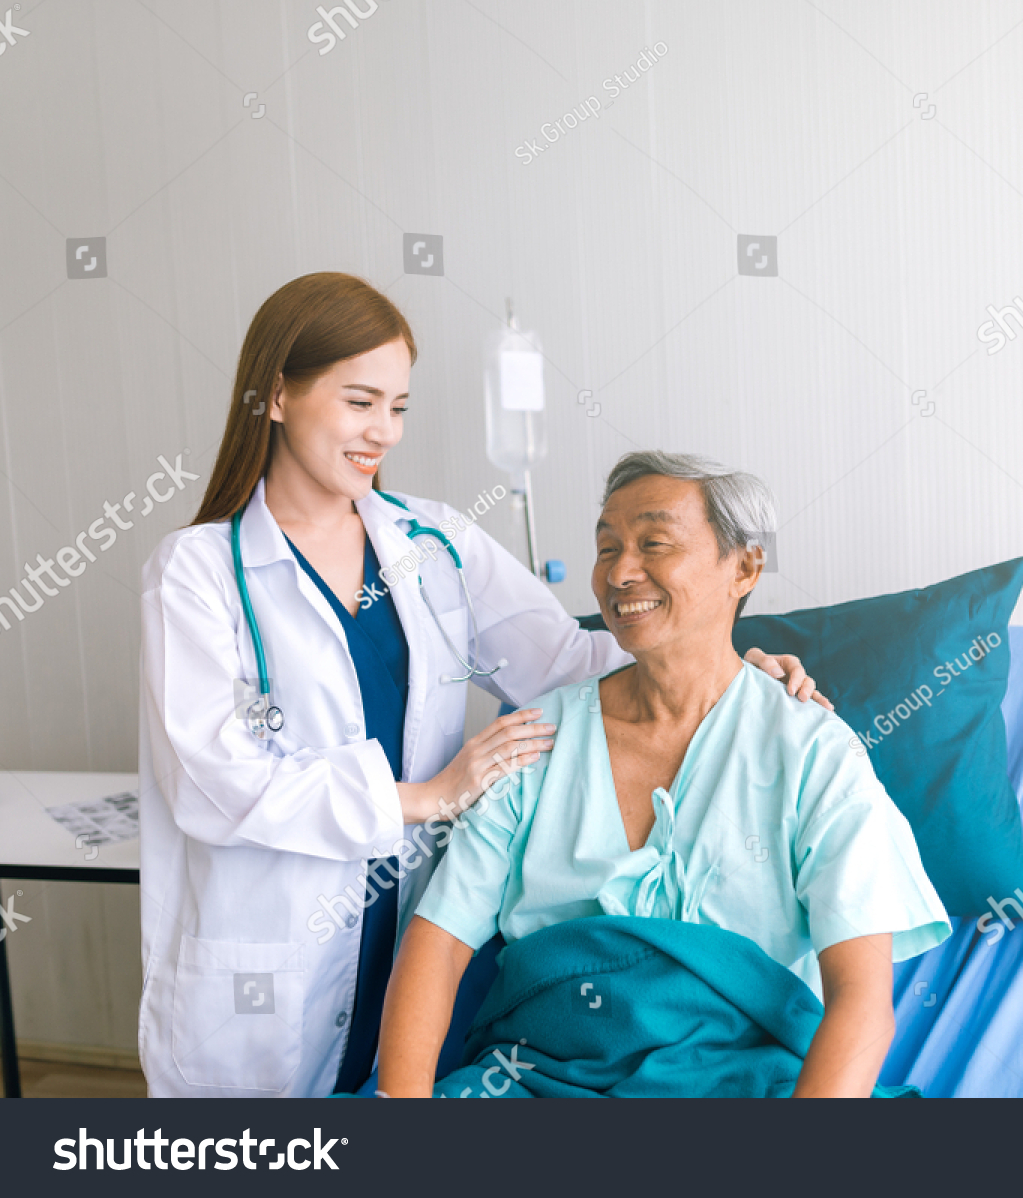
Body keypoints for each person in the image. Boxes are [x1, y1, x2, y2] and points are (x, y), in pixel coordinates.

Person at [137, 274, 825, 1098]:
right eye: (360, 402)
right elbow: (210, 784)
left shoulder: (435, 543)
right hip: (263, 972)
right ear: (278, 394)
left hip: (403, 950)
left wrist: (727, 669)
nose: (381, 433)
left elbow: (569, 663)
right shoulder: (197, 573)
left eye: (397, 408)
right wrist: (424, 797)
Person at [377, 451, 950, 1098]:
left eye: (654, 543)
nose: (621, 571)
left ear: (745, 566)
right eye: (606, 548)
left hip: (753, 1086)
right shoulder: (535, 740)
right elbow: (437, 944)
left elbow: (862, 1004)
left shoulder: (812, 752)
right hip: (539, 1083)